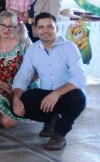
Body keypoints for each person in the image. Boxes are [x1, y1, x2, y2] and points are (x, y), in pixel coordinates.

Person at [12, 13, 86, 151]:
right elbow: (22, 77)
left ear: (56, 28)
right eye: (41, 27)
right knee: (23, 101)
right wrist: (16, 98)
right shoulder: (33, 50)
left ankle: (59, 135)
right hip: (46, 96)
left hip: (67, 95)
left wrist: (56, 93)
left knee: (79, 99)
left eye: (49, 27)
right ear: (35, 30)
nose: (45, 30)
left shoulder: (69, 47)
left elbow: (80, 78)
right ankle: (50, 119)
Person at [0, 11, 33, 128]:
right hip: (1, 83)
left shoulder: (24, 44)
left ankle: (9, 110)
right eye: (3, 25)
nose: (6, 29)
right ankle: (4, 109)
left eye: (10, 26)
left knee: (6, 122)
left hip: (23, 84)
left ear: (16, 27)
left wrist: (20, 86)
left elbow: (35, 70)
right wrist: (1, 83)